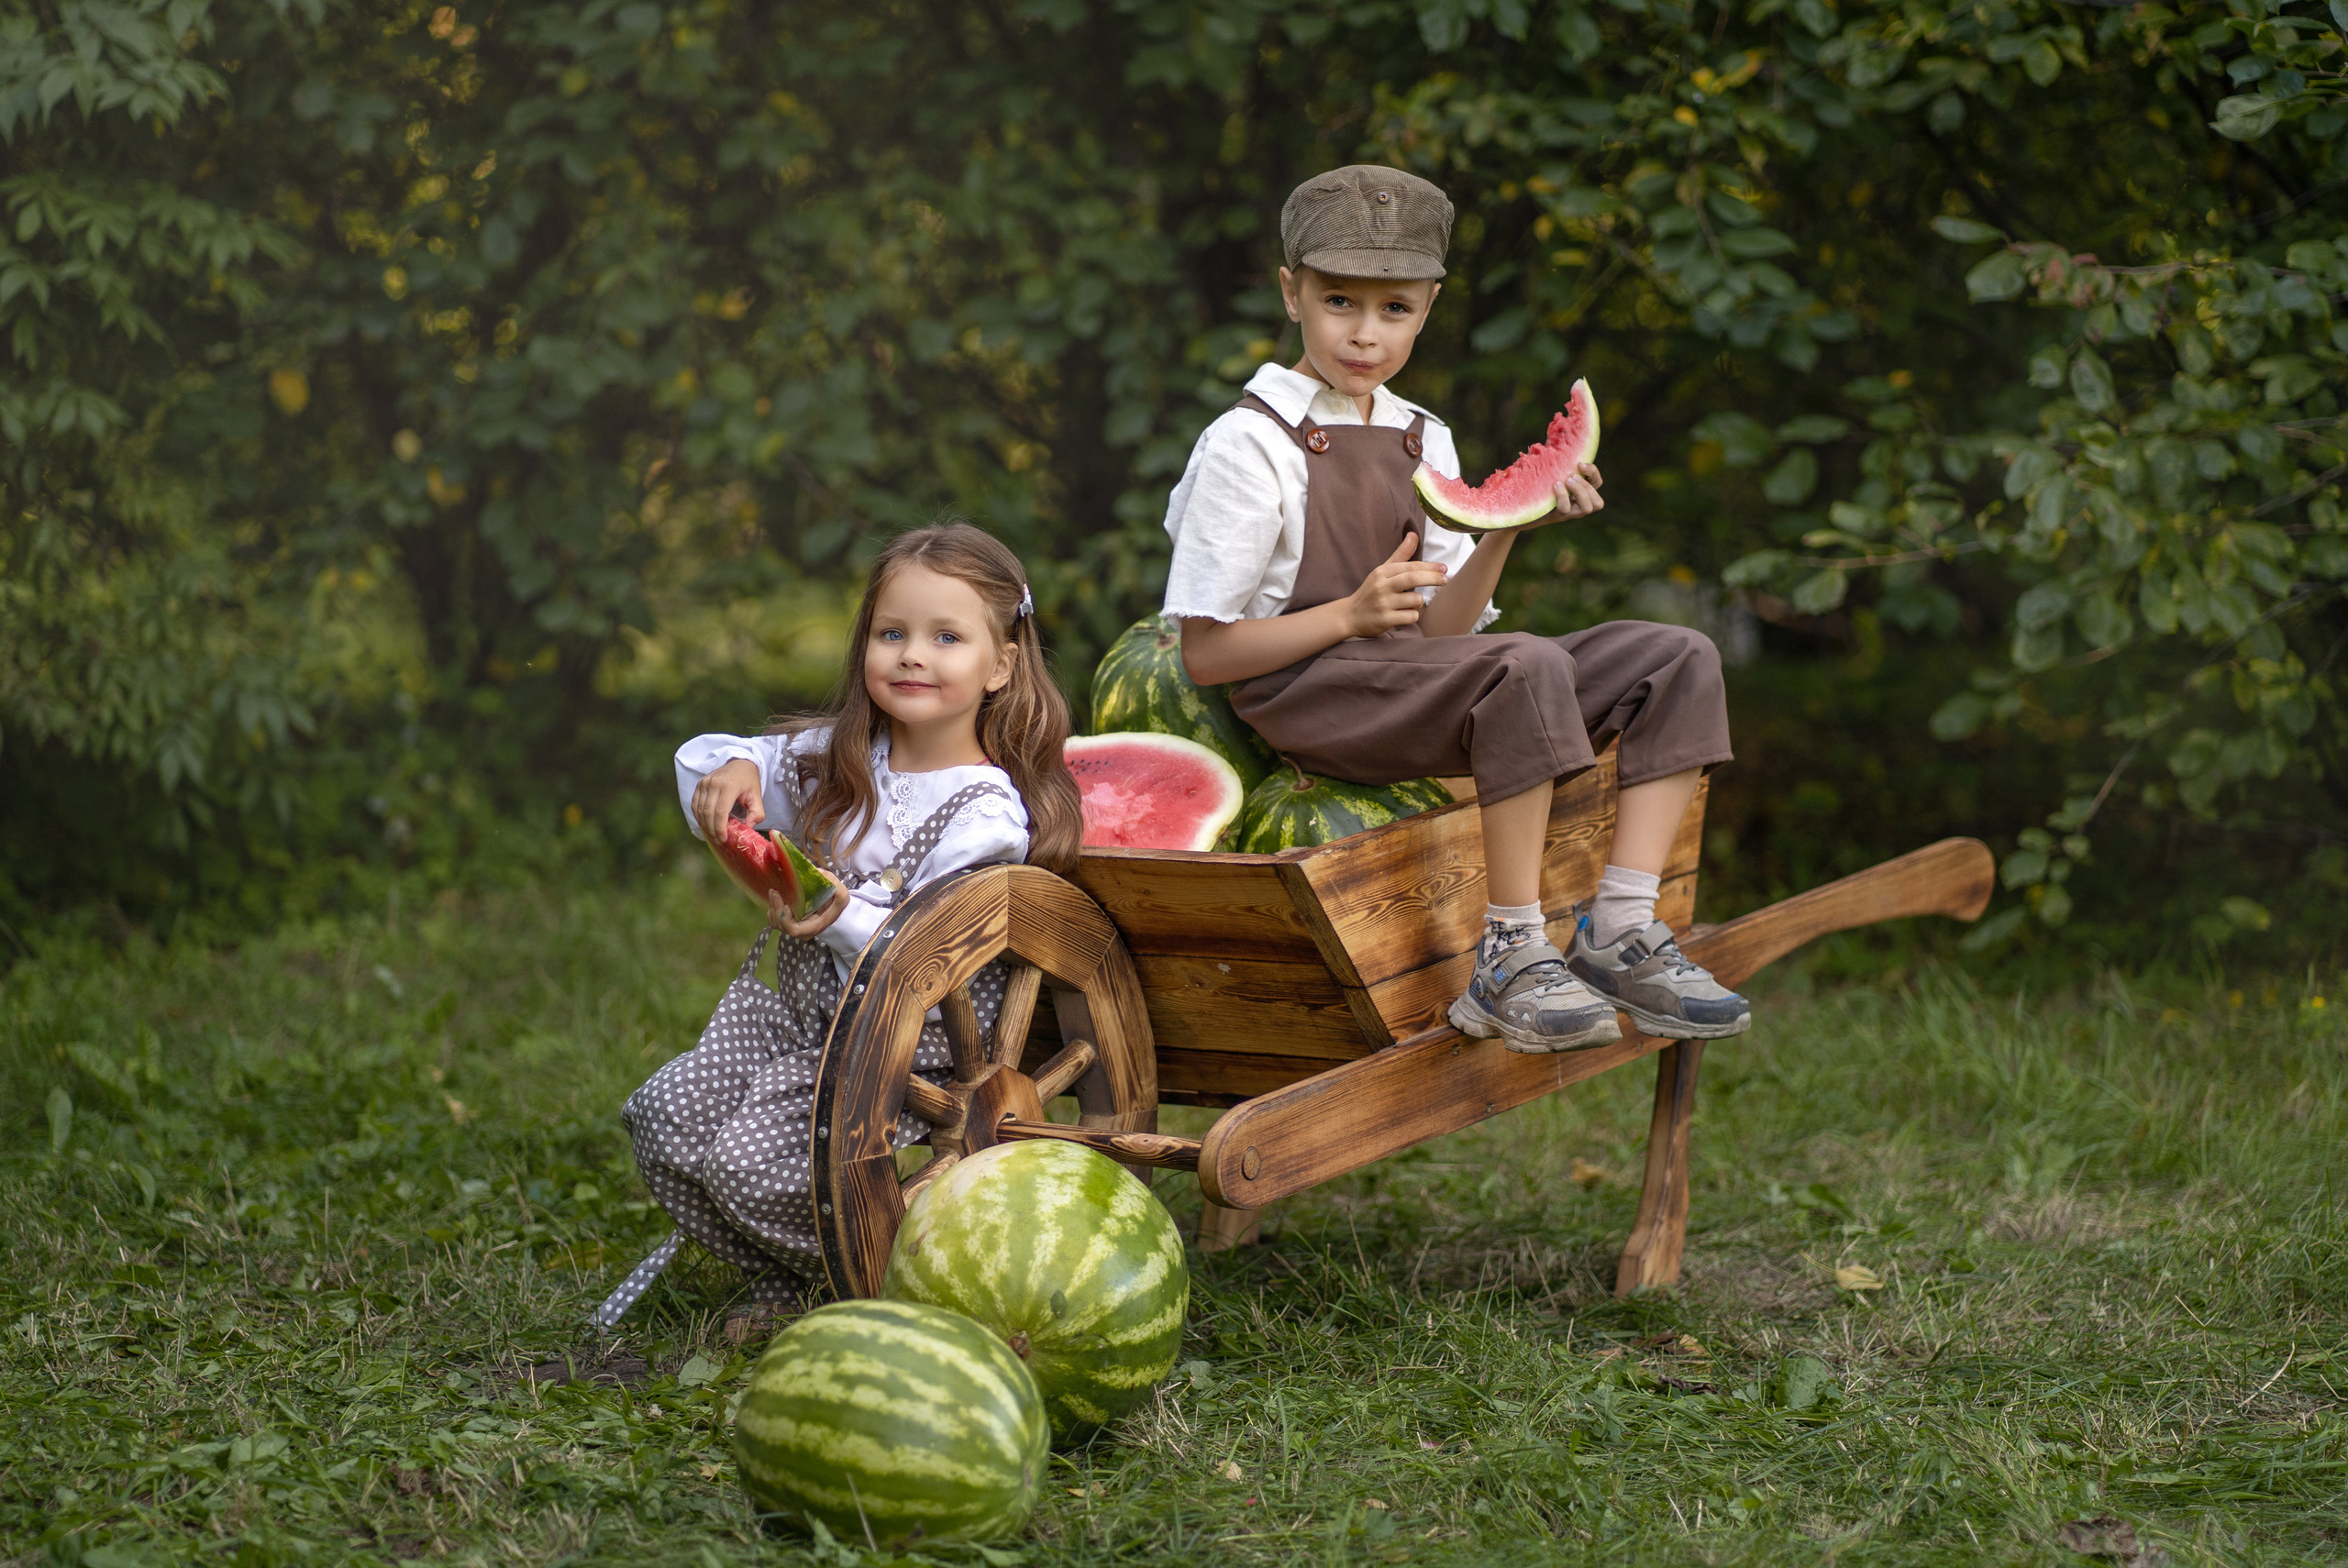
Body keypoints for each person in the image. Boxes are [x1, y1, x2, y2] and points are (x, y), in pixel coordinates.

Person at [1164, 164, 1751, 1055]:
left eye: (1394, 309)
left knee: (1680, 656)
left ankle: (1621, 928)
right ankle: (1510, 952)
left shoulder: (1420, 434)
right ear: (1292, 293)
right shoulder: (1248, 444)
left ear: (1428, 308)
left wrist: (1510, 525)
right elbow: (1206, 655)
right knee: (1527, 662)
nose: (1365, 333)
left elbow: (1442, 632)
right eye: (1339, 302)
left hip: (1408, 676)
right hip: (1308, 694)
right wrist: (1348, 616)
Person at [593, 524, 1081, 1333]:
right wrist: (738, 770)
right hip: (805, 1022)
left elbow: (930, 951)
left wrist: (840, 915)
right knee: (665, 1117)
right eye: (892, 633)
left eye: (946, 637)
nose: (912, 655)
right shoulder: (840, 756)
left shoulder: (985, 813)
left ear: (1001, 666)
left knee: (744, 1164)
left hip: (906, 1041)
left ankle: (872, 1273)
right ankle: (791, 1272)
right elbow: (710, 762)